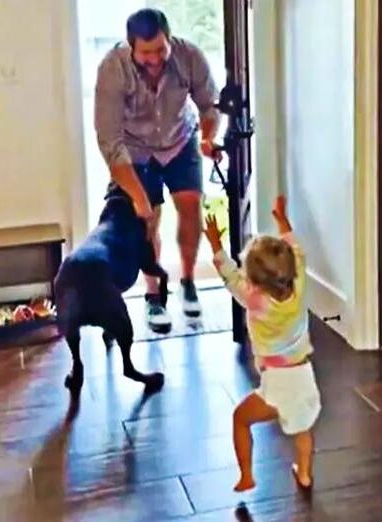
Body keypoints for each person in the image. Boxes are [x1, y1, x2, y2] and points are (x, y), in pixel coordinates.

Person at [94, 7, 221, 331]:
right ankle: (154, 296)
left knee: (191, 208)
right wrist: (138, 198)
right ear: (131, 46)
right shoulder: (113, 68)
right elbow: (110, 141)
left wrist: (208, 137)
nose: (154, 59)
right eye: (146, 53)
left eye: (160, 50)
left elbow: (210, 104)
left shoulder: (188, 55)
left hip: (180, 139)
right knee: (146, 221)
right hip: (135, 148)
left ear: (169, 39)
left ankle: (189, 283)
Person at [205, 195, 321, 492]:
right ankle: (304, 473)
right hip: (305, 376)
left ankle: (246, 476)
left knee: (240, 420)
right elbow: (294, 248)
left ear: (254, 281)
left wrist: (216, 245)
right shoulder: (299, 284)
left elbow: (230, 276)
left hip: (278, 382)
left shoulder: (255, 301)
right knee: (303, 429)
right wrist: (282, 218)